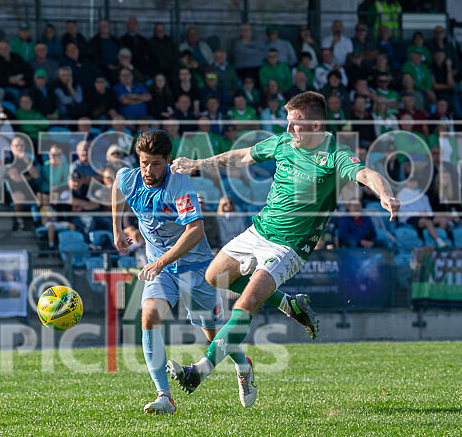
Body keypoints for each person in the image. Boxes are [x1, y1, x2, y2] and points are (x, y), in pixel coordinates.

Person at [167, 91, 400, 396]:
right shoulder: (282, 143)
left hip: (289, 248)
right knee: (213, 276)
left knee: (245, 303)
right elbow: (241, 156)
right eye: (288, 123)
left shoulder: (335, 155)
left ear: (316, 126)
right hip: (259, 231)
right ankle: (287, 303)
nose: (289, 131)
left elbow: (366, 173)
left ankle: (199, 371)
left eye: (296, 124)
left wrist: (384, 194)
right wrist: (198, 162)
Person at [112, 129, 250, 414]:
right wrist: (116, 229)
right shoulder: (131, 179)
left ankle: (244, 365)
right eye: (144, 162)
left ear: (168, 160)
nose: (148, 170)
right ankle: (164, 396)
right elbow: (117, 184)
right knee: (149, 317)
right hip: (159, 269)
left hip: (196, 270)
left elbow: (196, 231)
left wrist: (161, 261)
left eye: (156, 163)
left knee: (213, 337)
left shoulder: (180, 186)